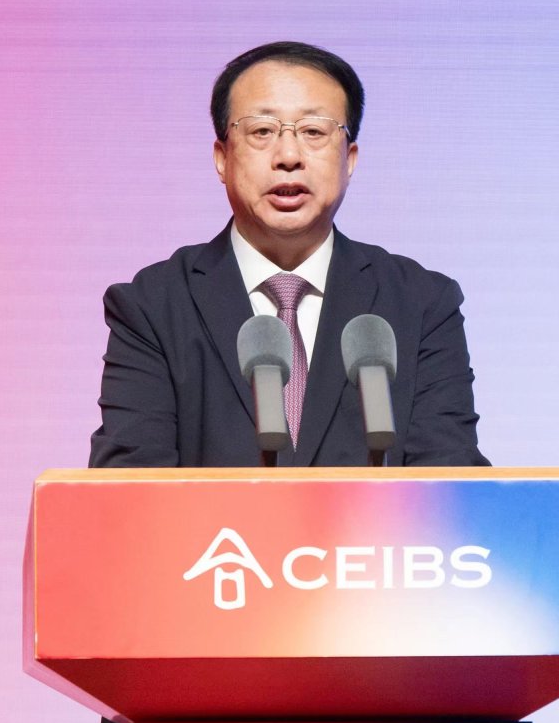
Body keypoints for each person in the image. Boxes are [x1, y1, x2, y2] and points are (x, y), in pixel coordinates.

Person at [88, 41, 488, 467]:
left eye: (314, 131)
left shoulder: (421, 302)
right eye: (262, 131)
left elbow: (451, 477)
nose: (289, 156)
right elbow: (127, 482)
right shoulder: (153, 305)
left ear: (349, 159)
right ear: (222, 157)